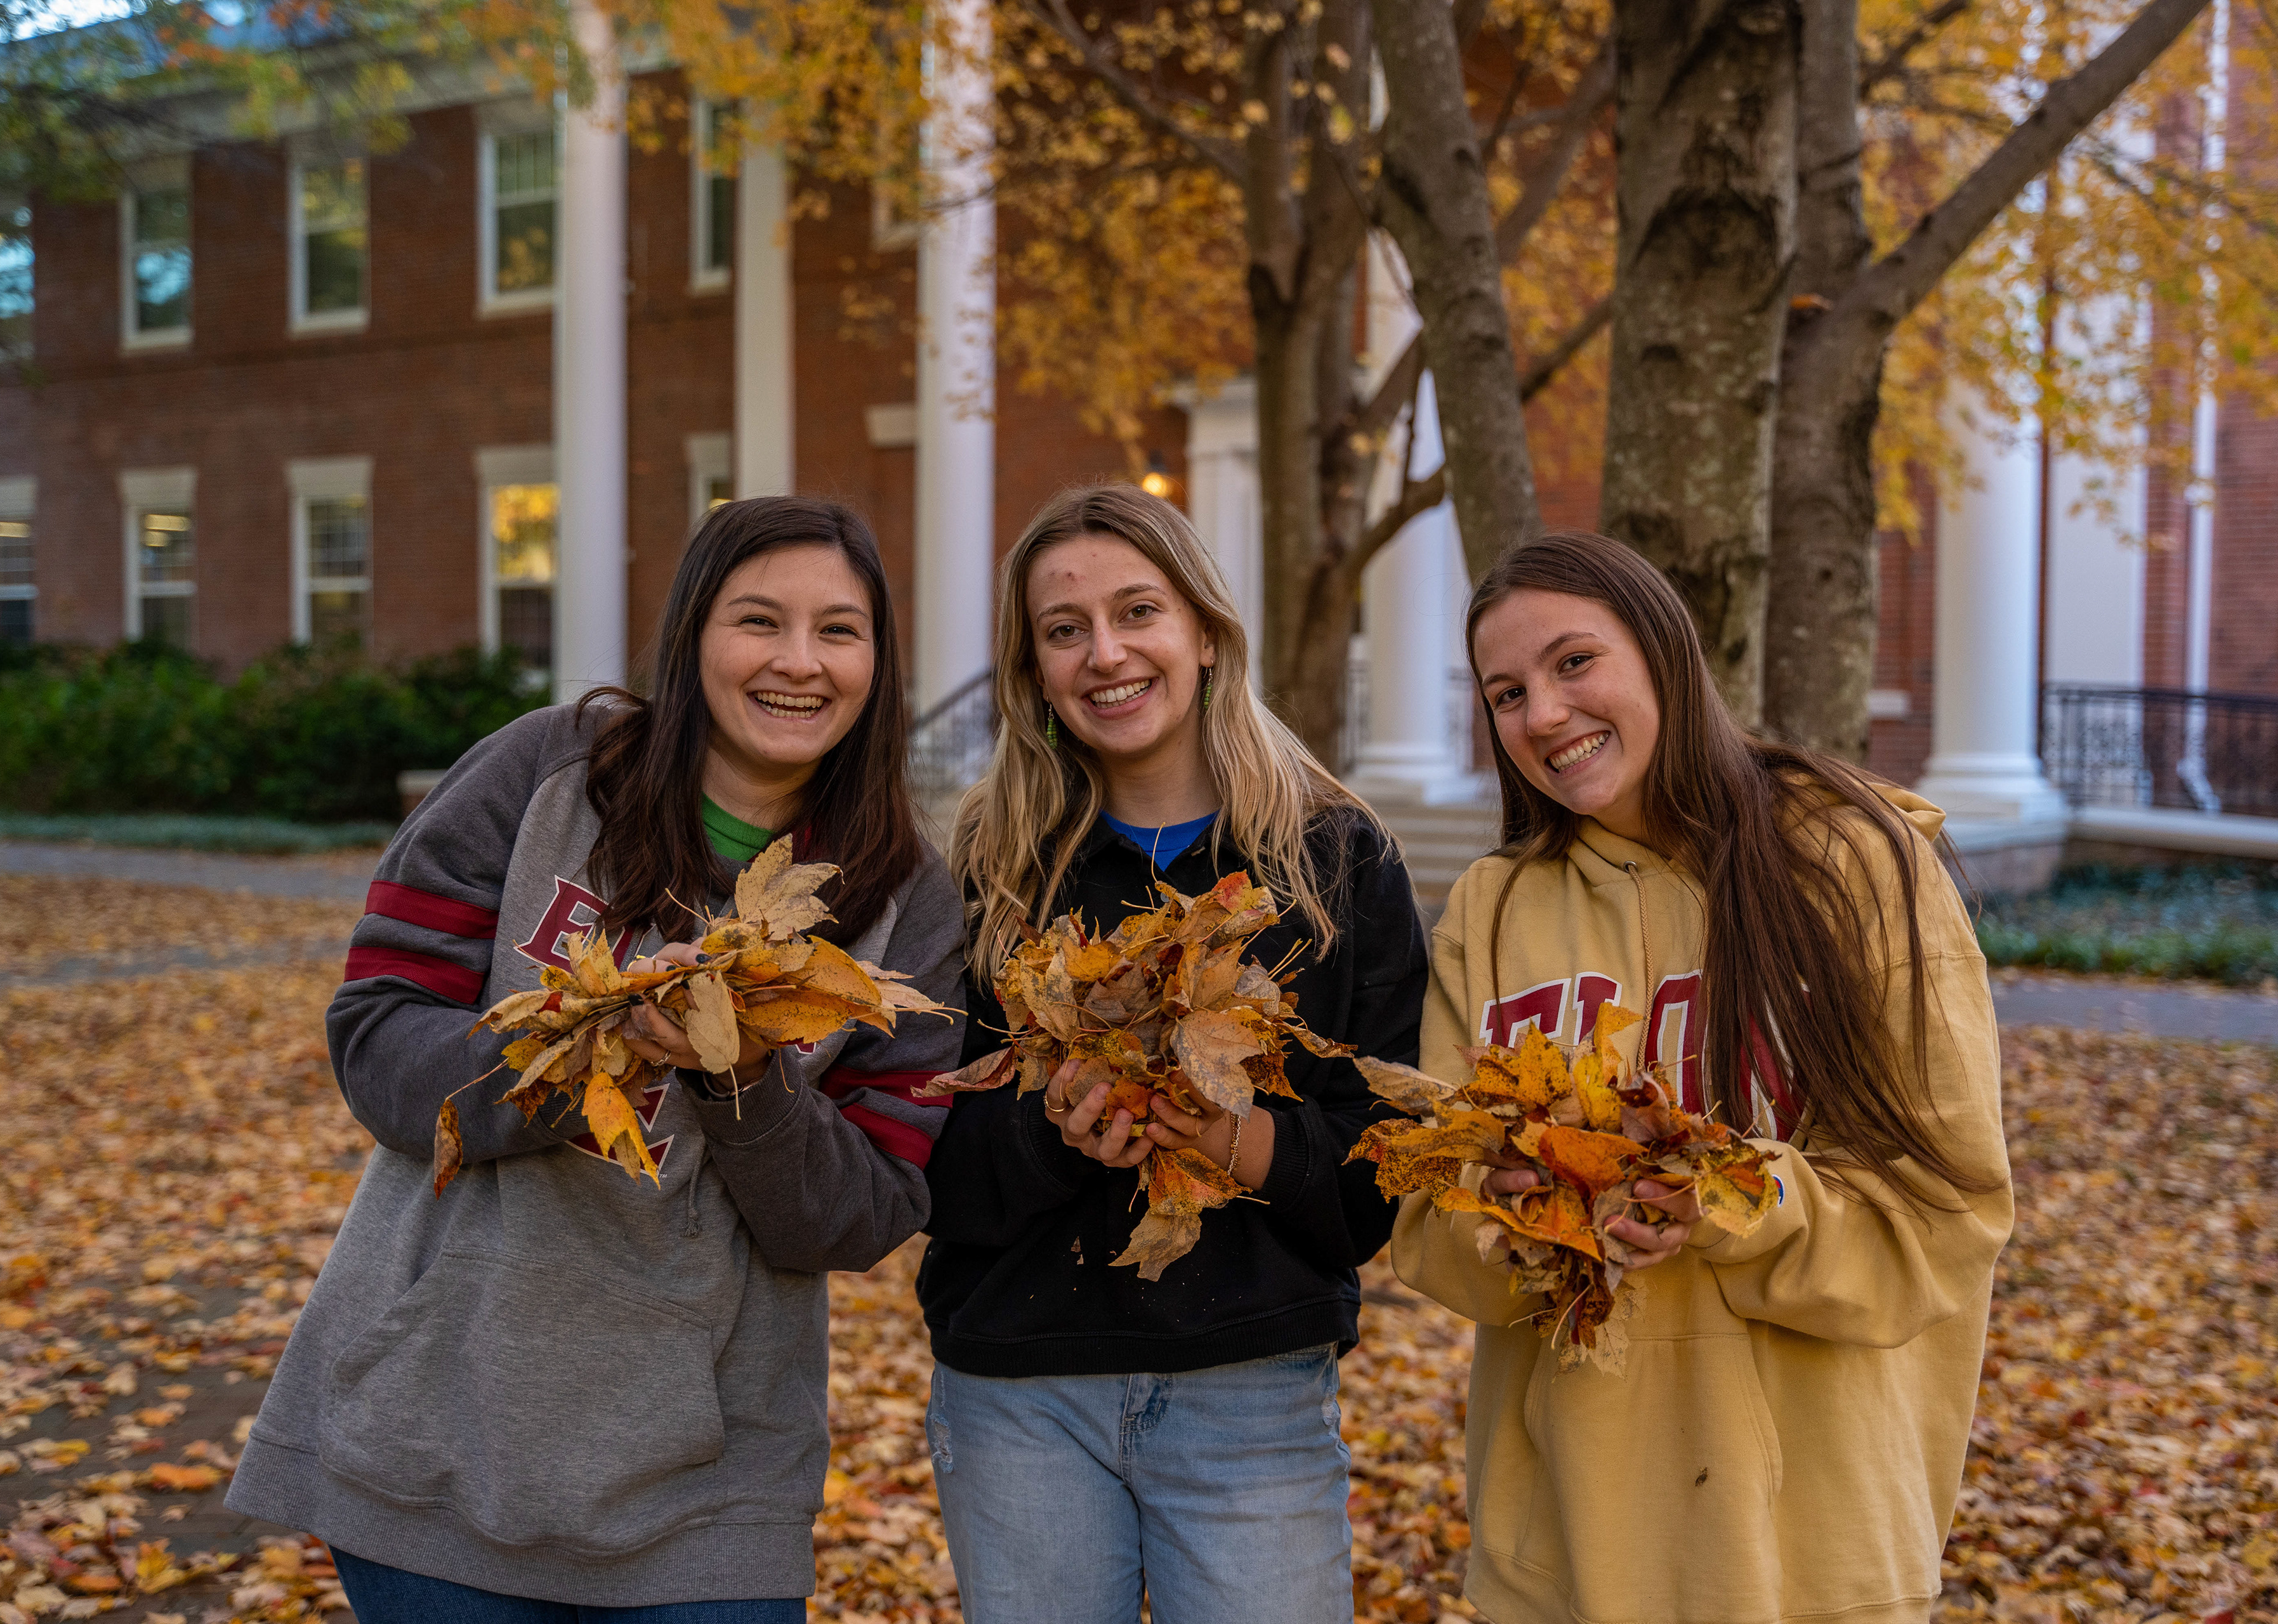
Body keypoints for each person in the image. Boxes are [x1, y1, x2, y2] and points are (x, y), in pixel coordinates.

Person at [225, 497, 966, 1623]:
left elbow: (861, 1214)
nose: (798, 663)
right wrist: (581, 1052)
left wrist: (737, 1075)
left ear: (879, 660)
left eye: (840, 630)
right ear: (691, 638)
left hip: (713, 1483)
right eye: (757, 620)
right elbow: (378, 1044)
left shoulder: (910, 904)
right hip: (437, 1429)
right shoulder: (545, 774)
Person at [1392, 530, 2014, 1624]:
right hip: (1564, 1566)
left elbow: (1947, 1215)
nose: (1542, 714)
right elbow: (1429, 1224)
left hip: (1809, 1559)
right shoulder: (1493, 910)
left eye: (1574, 663)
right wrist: (1520, 1214)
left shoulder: (1854, 862)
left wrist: (1727, 1202)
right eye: (1506, 693)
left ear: (1666, 654)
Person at [917, 484, 1427, 1624]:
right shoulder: (984, 872)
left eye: (1138, 610)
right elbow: (922, 1159)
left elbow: (1376, 1180)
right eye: (1065, 629)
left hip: (1252, 1389)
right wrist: (1056, 1138)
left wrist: (1232, 1140)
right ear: (1032, 668)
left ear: (1204, 630)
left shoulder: (1334, 865)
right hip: (1019, 1392)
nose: (1106, 653)